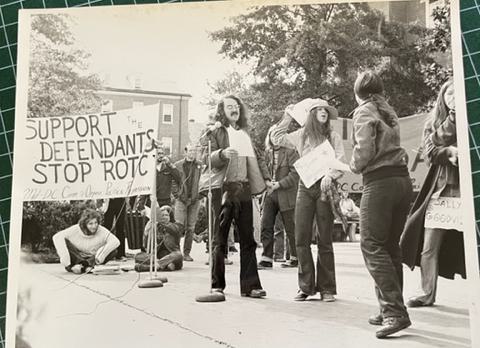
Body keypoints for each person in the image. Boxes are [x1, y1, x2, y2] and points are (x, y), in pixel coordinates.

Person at [350, 71, 412, 338]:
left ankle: (394, 312)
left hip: (380, 182)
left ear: (357, 93)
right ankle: (389, 308)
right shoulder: (388, 111)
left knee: (372, 245)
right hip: (401, 180)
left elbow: (364, 149)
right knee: (389, 247)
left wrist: (352, 165)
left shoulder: (363, 111)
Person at [271, 99, 345, 302]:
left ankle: (327, 288)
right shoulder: (301, 135)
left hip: (325, 187)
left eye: (326, 110)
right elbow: (276, 137)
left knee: (325, 238)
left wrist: (331, 175)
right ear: (311, 115)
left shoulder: (333, 135)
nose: (323, 112)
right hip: (305, 186)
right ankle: (305, 286)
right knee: (301, 236)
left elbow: (340, 161)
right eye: (319, 110)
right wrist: (288, 116)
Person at [401, 80, 465, 308]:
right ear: (442, 97)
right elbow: (429, 152)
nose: (452, 97)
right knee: (429, 246)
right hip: (441, 190)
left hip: (468, 190)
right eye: (449, 93)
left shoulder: (472, 115)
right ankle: (427, 293)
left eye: (457, 92)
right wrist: (448, 152)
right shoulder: (433, 122)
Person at [199, 95, 271, 299]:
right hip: (223, 190)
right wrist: (221, 154)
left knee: (248, 239)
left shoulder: (246, 132)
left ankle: (250, 286)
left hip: (245, 188)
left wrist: (266, 179)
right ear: (222, 110)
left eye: (236, 106)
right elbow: (205, 158)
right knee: (219, 239)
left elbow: (259, 157)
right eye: (229, 107)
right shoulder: (216, 131)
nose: (234, 109)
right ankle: (217, 285)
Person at [258, 123, 299, 269]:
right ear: (269, 136)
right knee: (266, 225)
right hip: (270, 194)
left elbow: (295, 174)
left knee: (291, 228)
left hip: (286, 194)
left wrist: (279, 184)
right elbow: (261, 170)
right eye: (272, 134)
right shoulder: (267, 153)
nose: (275, 137)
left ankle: (295, 258)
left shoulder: (291, 152)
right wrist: (267, 182)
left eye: (278, 134)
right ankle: (266, 258)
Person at [53, 209, 120, 274]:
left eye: (96, 223)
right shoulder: (76, 229)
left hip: (93, 259)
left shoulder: (101, 230)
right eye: (90, 224)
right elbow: (57, 237)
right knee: (64, 241)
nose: (94, 226)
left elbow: (116, 241)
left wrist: (101, 254)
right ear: (85, 224)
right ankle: (84, 267)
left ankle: (81, 266)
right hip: (77, 257)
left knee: (113, 251)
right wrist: (66, 259)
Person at [174, 143, 203, 262]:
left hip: (195, 200)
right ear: (185, 152)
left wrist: (200, 195)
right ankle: (176, 252)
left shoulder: (199, 166)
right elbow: (174, 182)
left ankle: (187, 253)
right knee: (178, 226)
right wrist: (177, 194)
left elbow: (204, 181)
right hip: (181, 199)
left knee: (191, 227)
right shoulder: (178, 165)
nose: (192, 153)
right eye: (190, 151)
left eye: (194, 151)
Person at [135, 205, 184, 272]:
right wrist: (146, 232)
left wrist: (160, 221)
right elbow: (146, 246)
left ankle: (153, 266)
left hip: (171, 256)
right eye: (162, 215)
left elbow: (173, 230)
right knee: (138, 256)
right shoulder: (155, 226)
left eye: (166, 215)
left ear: (170, 217)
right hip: (157, 257)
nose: (164, 217)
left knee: (178, 255)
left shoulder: (175, 226)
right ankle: (165, 266)